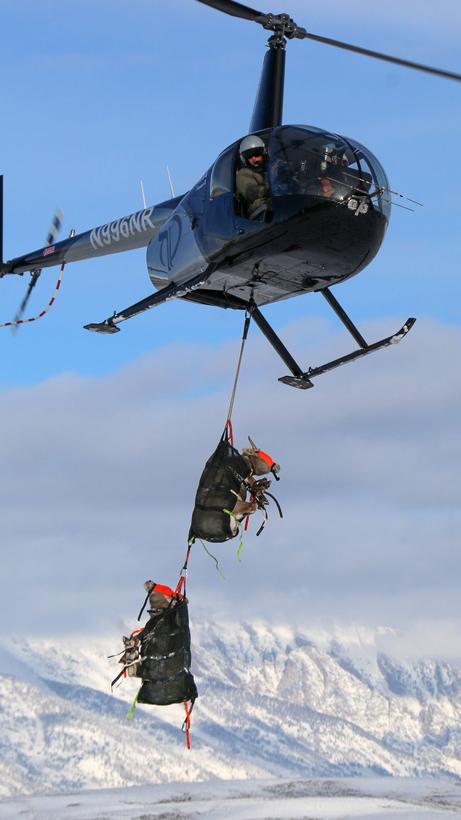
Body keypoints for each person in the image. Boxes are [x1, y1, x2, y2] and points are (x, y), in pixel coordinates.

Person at [236, 135, 271, 220]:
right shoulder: (243, 174)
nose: (254, 158)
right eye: (249, 155)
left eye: (256, 153)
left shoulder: (273, 168)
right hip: (259, 212)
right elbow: (250, 191)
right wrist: (269, 190)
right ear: (244, 159)